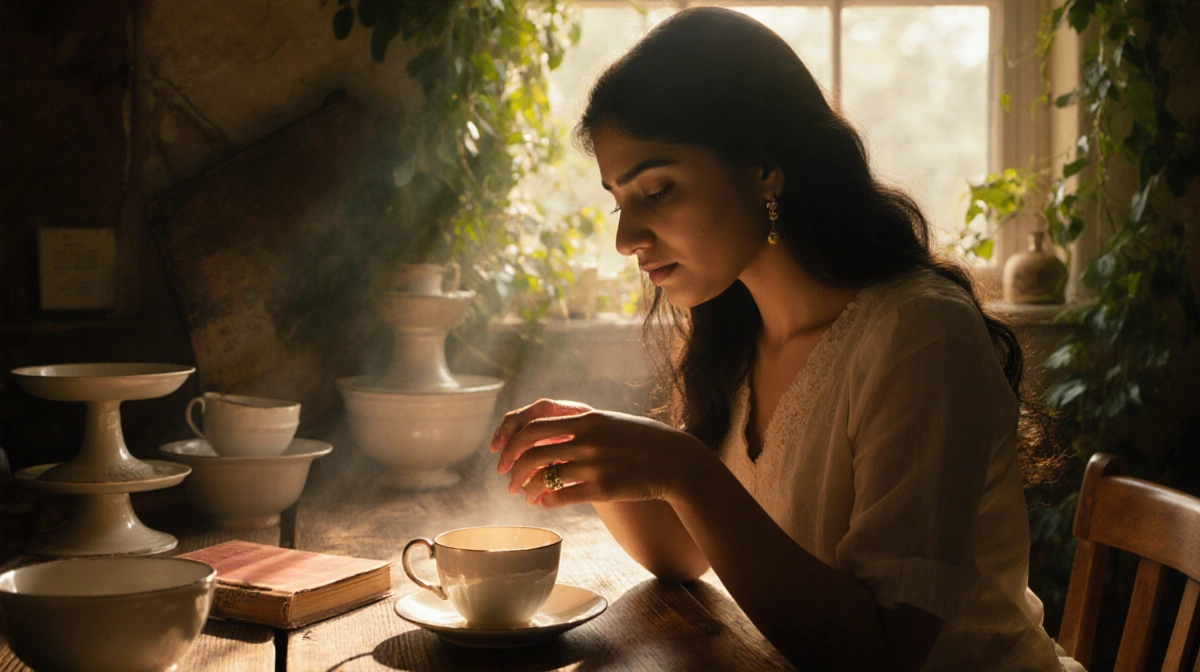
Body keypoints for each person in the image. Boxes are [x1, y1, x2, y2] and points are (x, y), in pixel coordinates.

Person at [490, 7, 1083, 671]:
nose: (626, 238)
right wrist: (595, 460)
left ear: (765, 166)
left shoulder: (919, 335)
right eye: (618, 201)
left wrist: (684, 470)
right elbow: (683, 552)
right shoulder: (744, 330)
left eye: (657, 189)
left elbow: (881, 656)